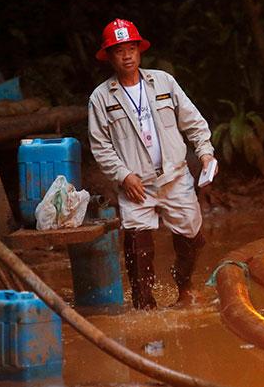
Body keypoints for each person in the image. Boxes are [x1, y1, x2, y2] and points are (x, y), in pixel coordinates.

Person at [88, 18, 217, 310]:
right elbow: (100, 145)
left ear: (139, 50)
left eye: (131, 48)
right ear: (109, 56)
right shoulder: (100, 98)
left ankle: (184, 287)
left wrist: (206, 152)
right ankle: (144, 306)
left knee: (193, 238)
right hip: (136, 185)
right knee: (137, 246)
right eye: (119, 50)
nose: (127, 55)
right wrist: (123, 176)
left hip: (175, 177)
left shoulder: (163, 82)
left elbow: (193, 122)